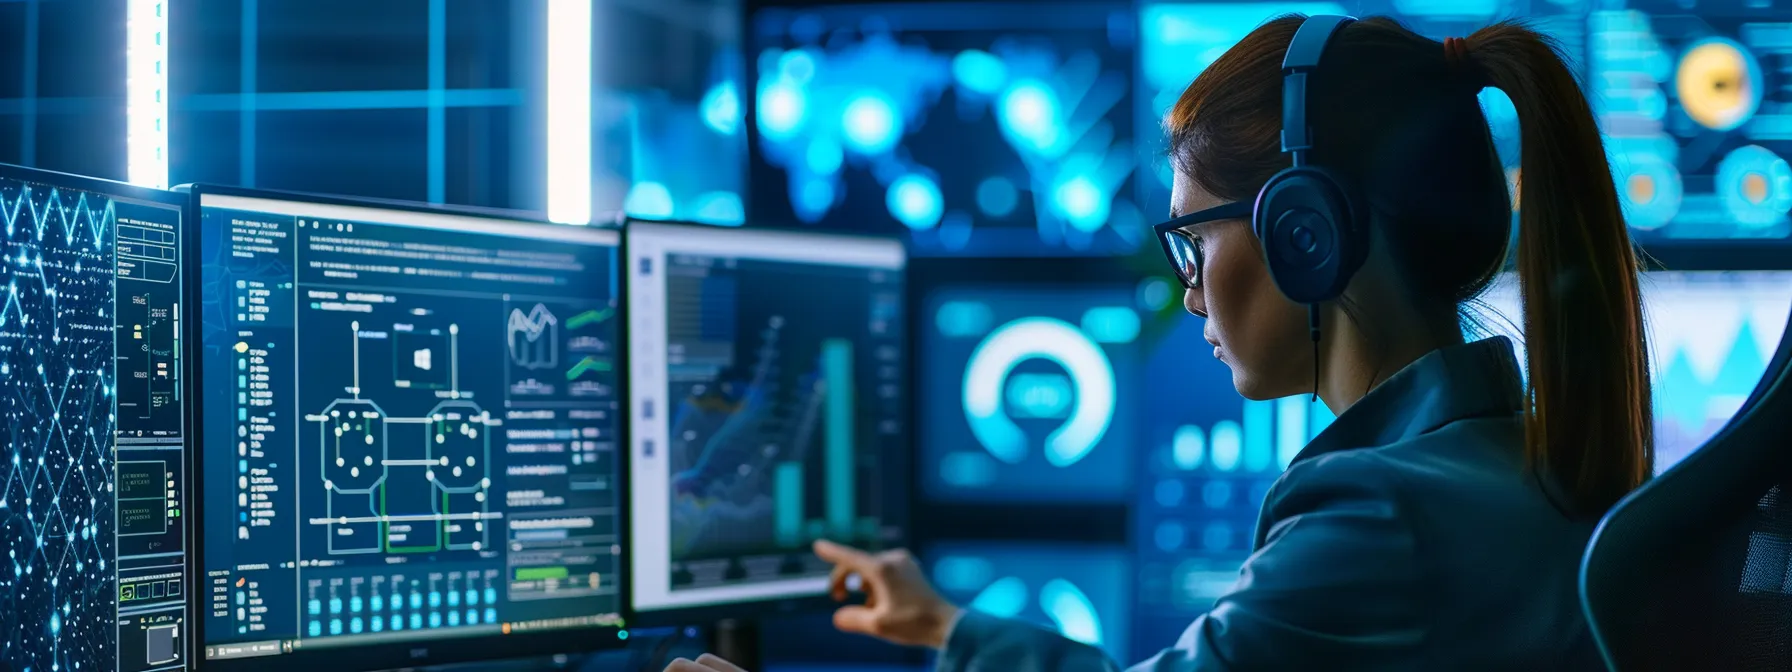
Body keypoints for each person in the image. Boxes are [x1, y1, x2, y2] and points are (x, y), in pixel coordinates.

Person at [669, 13, 1652, 671]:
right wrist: (947, 625)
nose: (1188, 296)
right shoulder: (1498, 457)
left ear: (1302, 233)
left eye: (1192, 241)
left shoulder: (1379, 519)